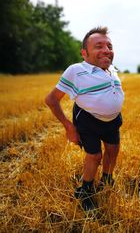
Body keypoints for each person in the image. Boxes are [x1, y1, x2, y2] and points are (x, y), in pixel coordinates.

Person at [45, 26, 124, 211]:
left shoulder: (112, 69)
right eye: (99, 46)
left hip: (113, 120)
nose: (106, 50)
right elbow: (51, 100)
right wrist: (69, 127)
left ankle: (106, 180)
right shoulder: (76, 70)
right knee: (95, 156)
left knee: (113, 150)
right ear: (84, 53)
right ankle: (85, 191)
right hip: (88, 120)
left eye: (109, 46)